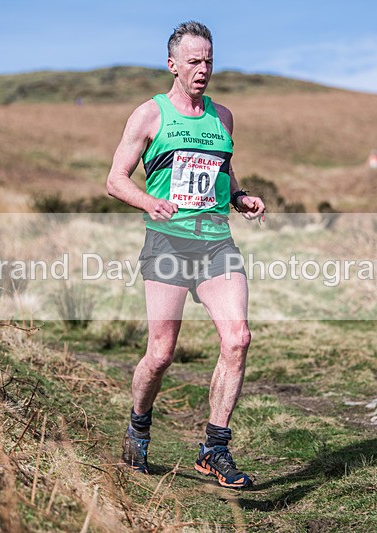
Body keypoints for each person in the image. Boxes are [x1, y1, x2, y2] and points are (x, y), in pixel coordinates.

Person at [106, 20, 264, 489]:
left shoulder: (223, 117)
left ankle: (214, 449)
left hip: (216, 242)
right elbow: (115, 179)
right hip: (168, 244)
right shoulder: (149, 115)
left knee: (238, 339)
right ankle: (138, 427)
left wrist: (239, 197)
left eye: (209, 61)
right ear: (172, 64)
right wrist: (147, 201)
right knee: (160, 353)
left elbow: (223, 170)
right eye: (193, 61)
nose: (203, 70)